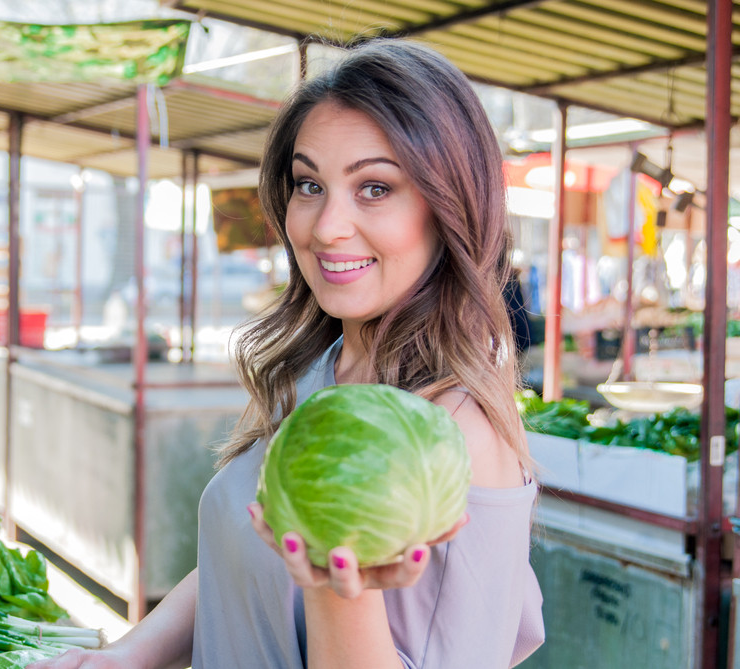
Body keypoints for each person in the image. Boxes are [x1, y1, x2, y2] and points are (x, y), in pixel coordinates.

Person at [31, 39, 544, 669]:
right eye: (309, 184)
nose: (326, 226)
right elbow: (242, 562)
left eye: (375, 188)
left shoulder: (459, 433)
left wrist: (336, 591)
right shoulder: (323, 374)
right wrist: (126, 656)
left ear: (449, 206)